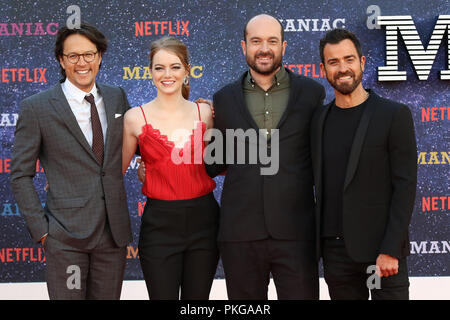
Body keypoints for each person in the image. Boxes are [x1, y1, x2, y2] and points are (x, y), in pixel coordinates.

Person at [206, 14, 326, 300]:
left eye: (272, 41)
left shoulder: (312, 93)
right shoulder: (223, 98)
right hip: (241, 233)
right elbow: (216, 162)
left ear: (283, 46)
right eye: (256, 41)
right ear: (243, 46)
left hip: (296, 232)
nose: (264, 48)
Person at [9, 22, 132, 299]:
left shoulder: (116, 97)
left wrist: (194, 109)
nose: (82, 63)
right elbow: (20, 174)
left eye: (89, 54)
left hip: (113, 236)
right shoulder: (37, 107)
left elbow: (142, 136)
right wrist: (43, 232)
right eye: (73, 56)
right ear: (61, 60)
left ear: (99, 56)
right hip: (65, 239)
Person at [310, 28, 417, 300]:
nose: (342, 68)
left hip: (381, 254)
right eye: (333, 62)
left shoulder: (393, 115)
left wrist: (391, 249)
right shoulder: (318, 120)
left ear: (362, 63)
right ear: (323, 69)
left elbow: (404, 187)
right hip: (336, 255)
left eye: (349, 59)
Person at [122, 36, 219, 300]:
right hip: (159, 226)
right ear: (150, 71)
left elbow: (221, 164)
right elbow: (112, 173)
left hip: (205, 222)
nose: (167, 74)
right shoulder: (134, 118)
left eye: (175, 67)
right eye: (159, 67)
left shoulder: (206, 114)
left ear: (187, 70)